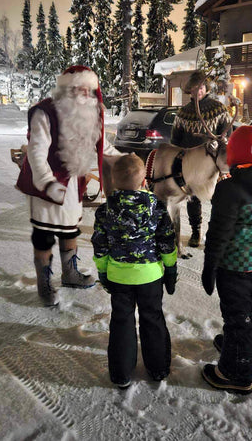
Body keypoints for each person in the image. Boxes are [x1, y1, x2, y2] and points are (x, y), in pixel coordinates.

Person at [17, 65, 111, 307]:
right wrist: (47, 183)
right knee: (44, 234)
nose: (83, 94)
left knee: (70, 230)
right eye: (77, 88)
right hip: (46, 184)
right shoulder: (44, 112)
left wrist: (125, 158)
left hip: (73, 184)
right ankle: (44, 284)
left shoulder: (88, 113)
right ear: (65, 88)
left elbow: (102, 144)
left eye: (87, 89)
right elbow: (36, 153)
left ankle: (70, 274)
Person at [201, 125, 252, 395]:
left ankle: (236, 373)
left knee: (238, 316)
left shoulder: (229, 189)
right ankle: (239, 348)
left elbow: (218, 235)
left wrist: (209, 267)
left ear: (235, 153)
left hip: (234, 265)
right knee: (246, 308)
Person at [91, 153, 177, 389]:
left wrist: (103, 271)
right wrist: (170, 268)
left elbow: (100, 244)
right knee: (153, 318)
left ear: (114, 180)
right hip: (150, 277)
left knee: (122, 321)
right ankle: (158, 368)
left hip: (119, 277)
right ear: (142, 181)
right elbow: (166, 240)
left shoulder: (106, 209)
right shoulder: (156, 206)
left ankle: (121, 373)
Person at [171, 71, 232, 248]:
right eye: (195, 88)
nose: (198, 91)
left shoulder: (218, 109)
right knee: (193, 198)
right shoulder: (182, 113)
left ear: (206, 89)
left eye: (202, 87)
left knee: (218, 199)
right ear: (189, 90)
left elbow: (227, 134)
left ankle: (216, 233)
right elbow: (175, 140)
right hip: (191, 164)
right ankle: (196, 232)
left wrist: (220, 145)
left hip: (214, 163)